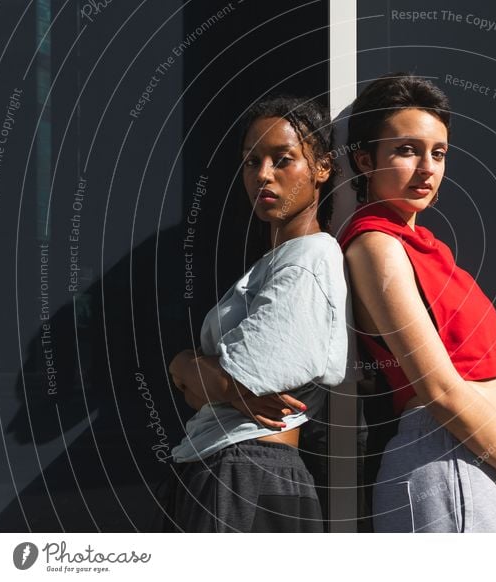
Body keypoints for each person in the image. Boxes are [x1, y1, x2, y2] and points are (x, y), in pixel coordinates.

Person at [338, 73, 496, 533]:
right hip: (445, 453)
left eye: (438, 153)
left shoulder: (427, 248)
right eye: (406, 150)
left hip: (493, 455)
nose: (427, 167)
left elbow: (489, 385)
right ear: (365, 159)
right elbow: (439, 389)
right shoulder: (377, 246)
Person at [154, 96, 350, 532]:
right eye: (251, 161)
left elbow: (236, 380)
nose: (263, 174)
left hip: (249, 471)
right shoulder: (275, 263)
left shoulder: (311, 257)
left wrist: (195, 369)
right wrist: (189, 368)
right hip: (226, 466)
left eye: (283, 160)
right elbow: (206, 385)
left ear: (321, 168)